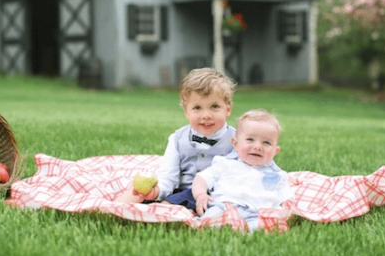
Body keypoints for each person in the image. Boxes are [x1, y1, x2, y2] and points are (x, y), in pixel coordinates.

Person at [115, 67, 237, 210]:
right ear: (186, 111)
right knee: (140, 193)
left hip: (217, 194)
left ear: (228, 108)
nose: (206, 115)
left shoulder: (237, 140)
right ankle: (112, 208)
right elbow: (168, 176)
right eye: (197, 108)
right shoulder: (177, 139)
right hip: (180, 191)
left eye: (214, 106)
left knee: (169, 205)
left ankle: (163, 213)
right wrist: (157, 191)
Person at [191, 109, 290, 231]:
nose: (258, 147)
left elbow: (286, 199)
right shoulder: (225, 164)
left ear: (275, 151)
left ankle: (245, 230)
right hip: (223, 207)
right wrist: (201, 194)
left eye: (266, 143)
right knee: (209, 221)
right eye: (250, 140)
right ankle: (211, 226)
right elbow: (201, 178)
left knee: (263, 227)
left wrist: (285, 209)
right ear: (235, 144)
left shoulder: (277, 176)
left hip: (257, 213)